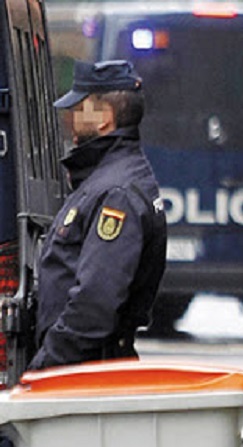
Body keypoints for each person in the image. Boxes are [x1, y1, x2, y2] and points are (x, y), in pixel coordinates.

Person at [28, 60, 166, 370]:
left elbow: (94, 304)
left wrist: (44, 367)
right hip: (86, 368)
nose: (71, 118)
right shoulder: (108, 179)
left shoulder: (116, 193)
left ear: (104, 118)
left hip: (85, 373)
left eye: (79, 108)